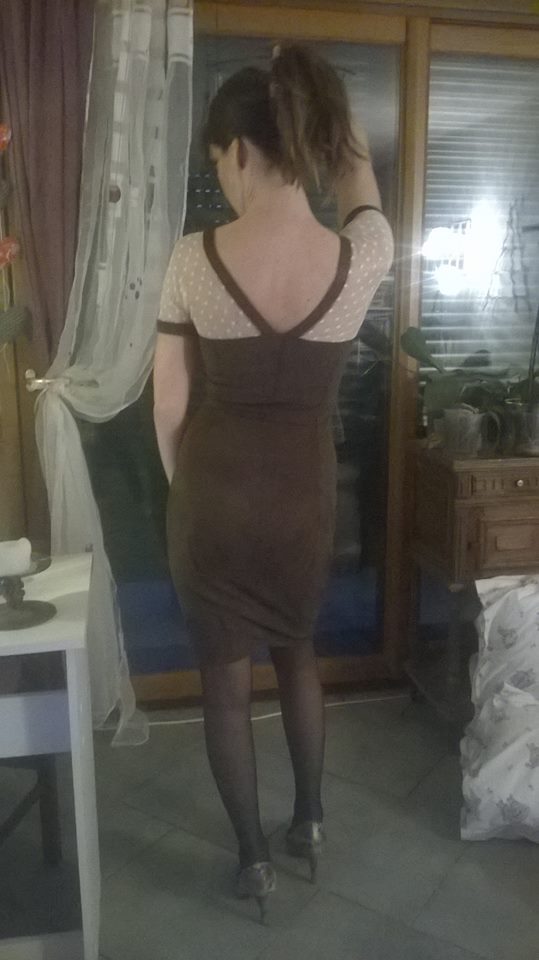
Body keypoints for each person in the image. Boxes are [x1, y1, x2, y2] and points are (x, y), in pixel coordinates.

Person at [153, 42, 393, 924]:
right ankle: (312, 820)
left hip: (213, 501)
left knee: (224, 681)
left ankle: (252, 861)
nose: (222, 179)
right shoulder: (360, 257)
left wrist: (188, 493)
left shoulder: (193, 257)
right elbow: (359, 181)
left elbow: (168, 404)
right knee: (298, 654)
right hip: (303, 501)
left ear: (241, 151)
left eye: (219, 162)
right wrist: (326, 107)